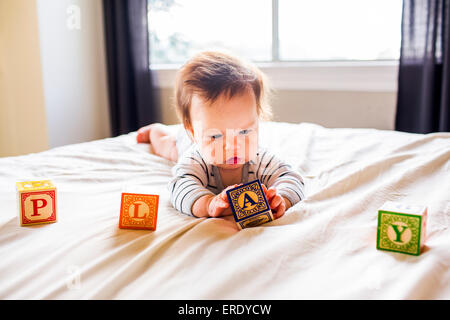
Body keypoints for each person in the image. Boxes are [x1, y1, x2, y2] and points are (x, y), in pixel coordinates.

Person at [136, 51, 305, 219]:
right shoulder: (195, 161)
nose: (232, 146)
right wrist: (208, 203)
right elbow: (180, 187)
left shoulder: (261, 159)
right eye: (215, 136)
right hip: (183, 144)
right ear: (193, 132)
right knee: (169, 146)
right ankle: (154, 131)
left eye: (244, 132)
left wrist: (280, 198)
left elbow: (291, 178)